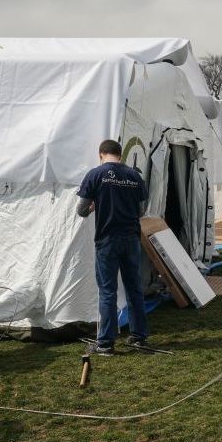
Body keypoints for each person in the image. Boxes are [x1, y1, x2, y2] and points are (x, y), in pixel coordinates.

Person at [76, 139, 149, 355]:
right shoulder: (135, 176)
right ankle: (139, 338)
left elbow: (81, 210)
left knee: (108, 291)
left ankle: (106, 344)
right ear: (120, 154)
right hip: (131, 238)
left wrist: (95, 206)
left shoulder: (96, 174)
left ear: (101, 154)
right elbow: (141, 211)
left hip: (107, 239)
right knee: (135, 289)